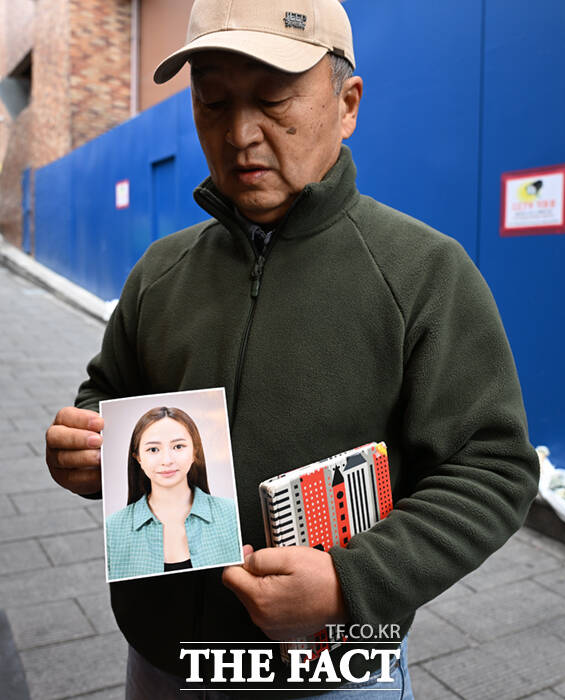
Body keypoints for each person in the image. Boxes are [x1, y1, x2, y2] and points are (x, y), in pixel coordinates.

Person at [45, 0, 539, 697]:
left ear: (347, 104)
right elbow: (109, 391)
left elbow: (492, 469)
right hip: (163, 658)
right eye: (212, 102)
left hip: (334, 669)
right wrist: (89, 446)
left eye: (274, 100)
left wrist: (350, 581)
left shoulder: (425, 273)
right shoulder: (160, 271)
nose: (241, 134)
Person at [105, 406, 241, 581]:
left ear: (194, 452)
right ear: (138, 457)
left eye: (178, 446)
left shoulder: (231, 514)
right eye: (153, 449)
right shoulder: (113, 528)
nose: (167, 460)